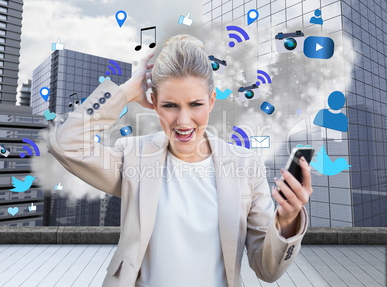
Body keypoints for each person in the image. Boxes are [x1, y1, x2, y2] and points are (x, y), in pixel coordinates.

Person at [48, 34, 313, 287]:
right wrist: (127, 91)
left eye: (195, 104)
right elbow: (66, 144)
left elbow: (267, 270)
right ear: (153, 103)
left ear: (211, 102)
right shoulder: (133, 155)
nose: (183, 121)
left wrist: (288, 219)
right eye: (170, 105)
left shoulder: (245, 166)